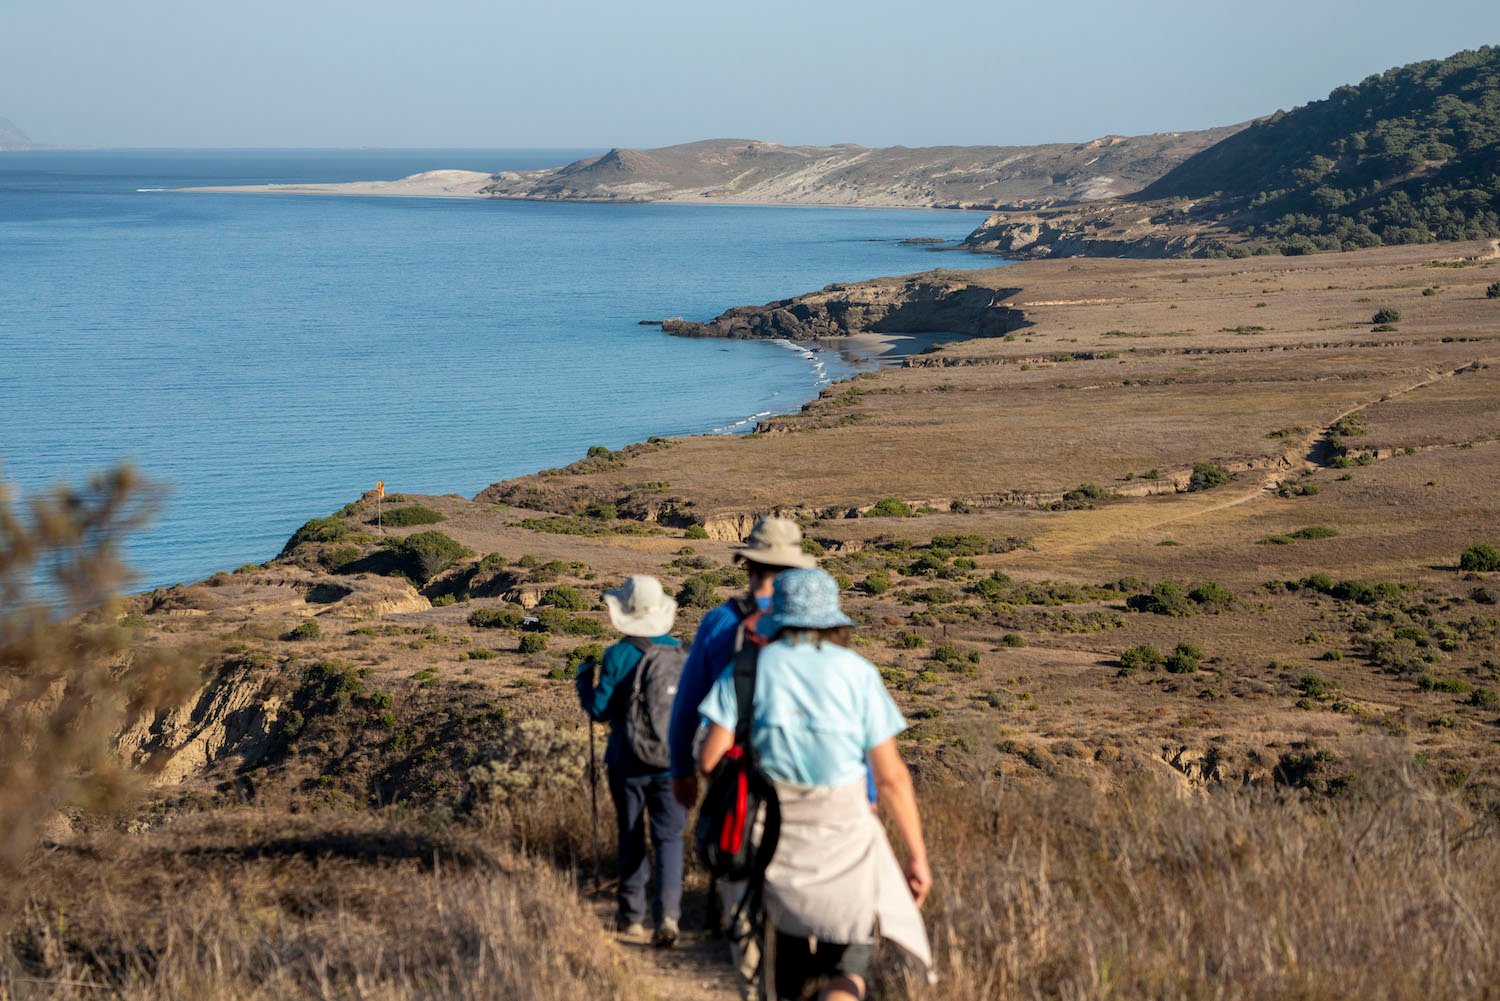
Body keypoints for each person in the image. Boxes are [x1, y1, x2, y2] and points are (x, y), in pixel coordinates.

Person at [698, 568, 934, 1001]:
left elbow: (710, 759)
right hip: (846, 836)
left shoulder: (746, 670)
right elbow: (892, 778)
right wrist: (917, 857)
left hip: (769, 838)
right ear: (833, 620)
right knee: (846, 964)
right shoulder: (858, 673)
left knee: (780, 963)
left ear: (779, 617)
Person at [667, 516, 816, 991]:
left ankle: (754, 984)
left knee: (742, 901)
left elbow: (687, 709)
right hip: (809, 789)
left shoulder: (720, 622)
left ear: (748, 565)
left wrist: (684, 773)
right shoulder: (818, 630)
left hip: (738, 783)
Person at [576, 574, 686, 947]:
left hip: (627, 761)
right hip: (673, 763)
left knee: (631, 833)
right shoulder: (680, 654)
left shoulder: (617, 656)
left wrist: (582, 683)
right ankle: (669, 914)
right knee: (669, 837)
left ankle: (631, 916)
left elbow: (600, 711)